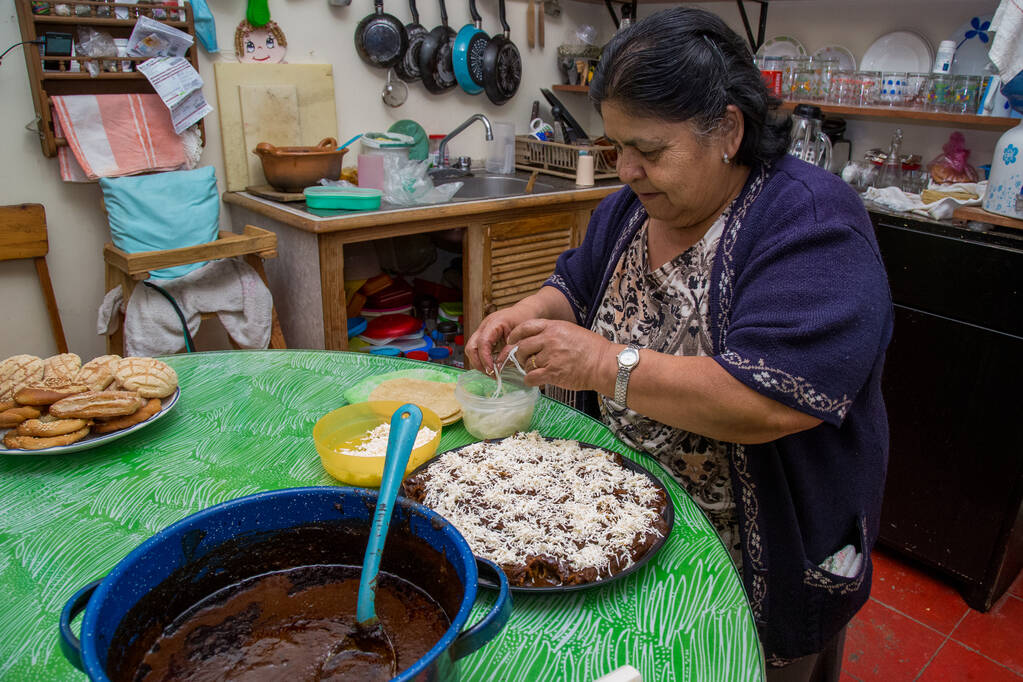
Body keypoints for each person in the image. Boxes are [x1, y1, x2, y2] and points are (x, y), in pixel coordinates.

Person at [464, 7, 892, 681]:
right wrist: (523, 313)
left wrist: (605, 365)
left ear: (726, 129)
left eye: (650, 150)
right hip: (623, 518)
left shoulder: (809, 223)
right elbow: (575, 286)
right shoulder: (634, 207)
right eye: (616, 148)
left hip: (764, 552)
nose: (628, 168)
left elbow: (770, 401)